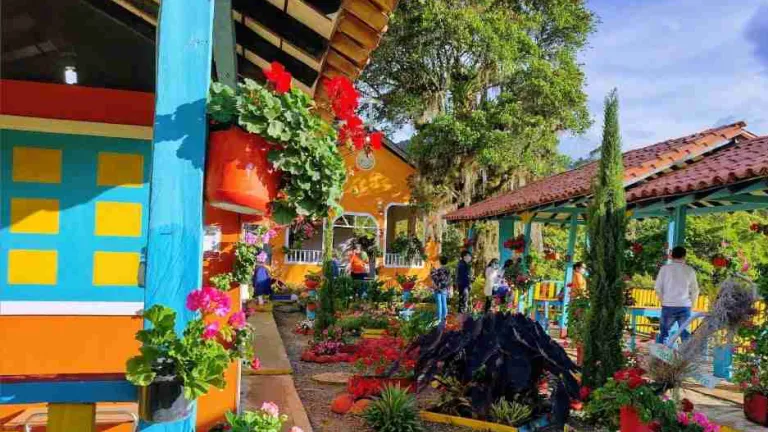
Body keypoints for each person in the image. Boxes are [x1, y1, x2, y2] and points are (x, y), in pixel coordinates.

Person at [655, 246, 699, 344]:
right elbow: (695, 290)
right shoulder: (690, 270)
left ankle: (661, 358)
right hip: (685, 306)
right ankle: (685, 358)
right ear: (684, 256)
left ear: (671, 255)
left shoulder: (664, 269)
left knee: (664, 334)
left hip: (668, 306)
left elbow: (657, 288)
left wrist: (663, 301)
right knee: (685, 335)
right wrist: (692, 305)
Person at [430, 256, 452, 323]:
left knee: (439, 304)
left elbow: (433, 277)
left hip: (438, 288)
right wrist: (448, 288)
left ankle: (439, 319)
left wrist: (437, 285)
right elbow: (449, 280)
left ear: (440, 261)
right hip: (444, 288)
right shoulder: (448, 270)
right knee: (444, 303)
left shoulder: (436, 269)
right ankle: (445, 319)